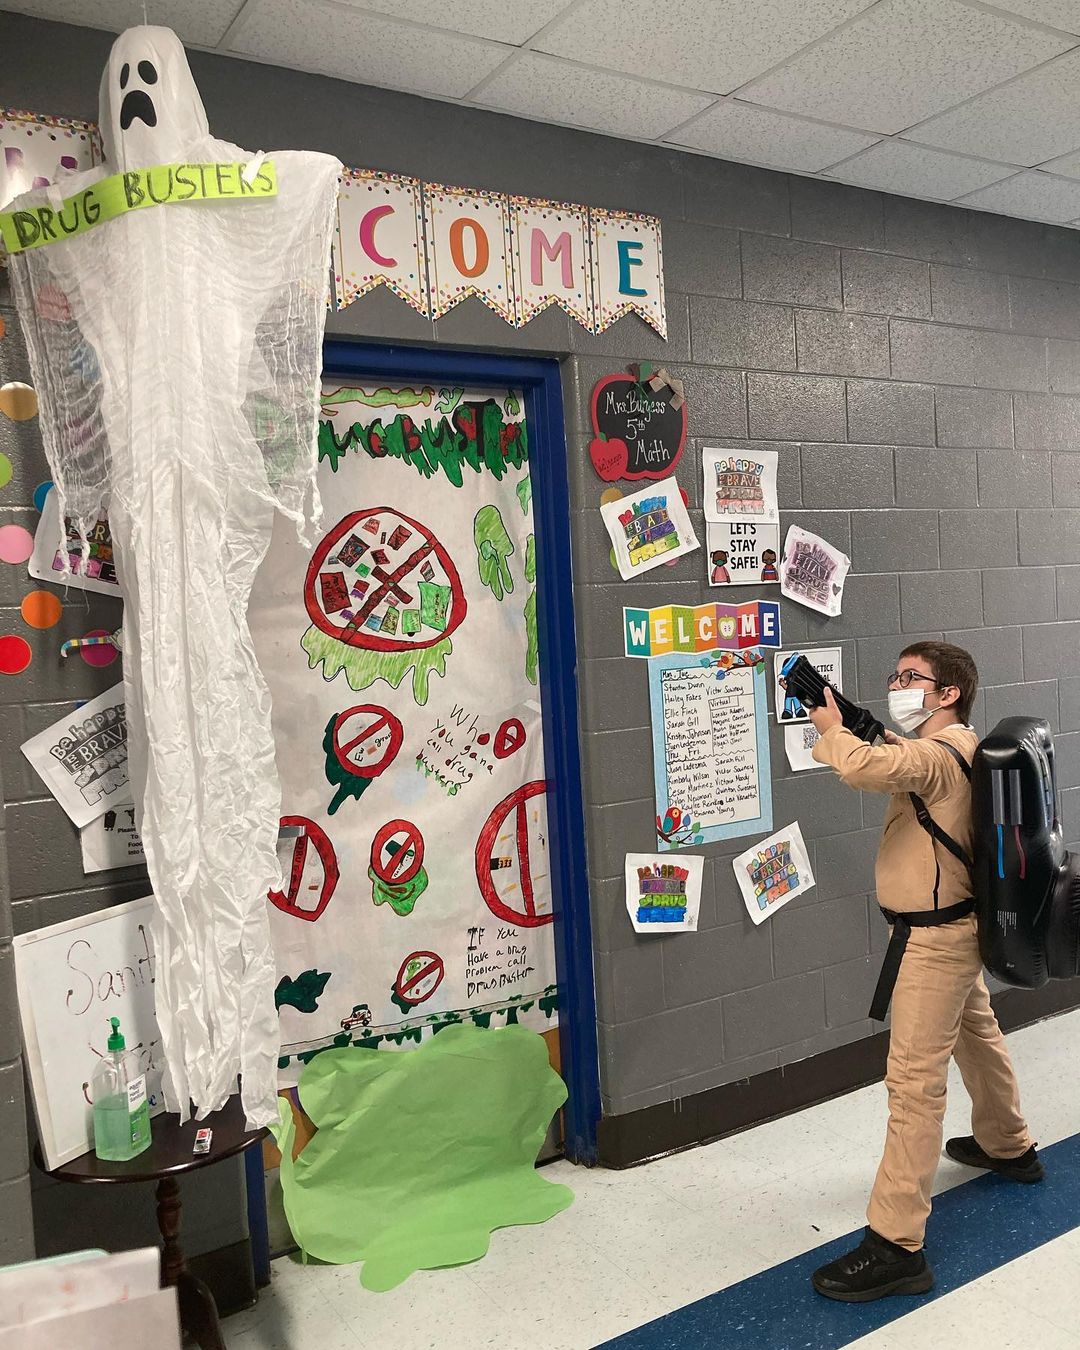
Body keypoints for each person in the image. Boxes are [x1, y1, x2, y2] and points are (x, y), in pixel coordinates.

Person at [806, 641, 1041, 1303]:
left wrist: (832, 733)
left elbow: (869, 769)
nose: (899, 684)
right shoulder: (959, 748)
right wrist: (857, 723)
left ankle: (896, 1246)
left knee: (913, 1084)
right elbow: (894, 753)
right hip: (954, 932)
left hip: (934, 945)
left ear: (948, 695)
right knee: (979, 1036)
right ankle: (1007, 1144)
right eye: (896, 675)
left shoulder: (939, 756)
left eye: (914, 678)